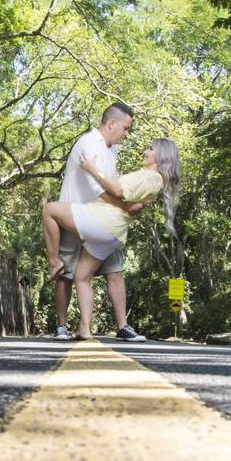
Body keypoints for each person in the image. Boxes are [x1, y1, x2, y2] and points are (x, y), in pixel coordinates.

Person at [42, 138, 181, 340]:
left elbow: (117, 192)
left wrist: (91, 168)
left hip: (102, 222)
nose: (145, 150)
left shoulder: (152, 177)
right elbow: (129, 201)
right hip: (113, 233)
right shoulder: (149, 177)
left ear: (161, 156)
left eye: (150, 149)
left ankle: (54, 261)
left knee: (49, 210)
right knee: (82, 276)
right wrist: (111, 167)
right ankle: (85, 329)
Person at [52, 103, 147, 343]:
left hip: (103, 219)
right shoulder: (88, 144)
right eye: (126, 128)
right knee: (67, 273)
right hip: (74, 214)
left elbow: (113, 183)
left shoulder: (112, 150)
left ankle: (123, 326)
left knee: (115, 270)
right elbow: (99, 190)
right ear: (111, 123)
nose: (127, 133)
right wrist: (126, 207)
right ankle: (61, 326)